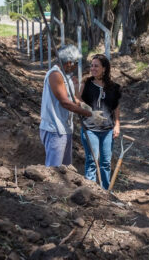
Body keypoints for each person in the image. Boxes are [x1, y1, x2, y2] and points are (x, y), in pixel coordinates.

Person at [39, 44, 93, 167]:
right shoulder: (55, 75)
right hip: (55, 129)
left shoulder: (64, 76)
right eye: (75, 63)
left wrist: (86, 107)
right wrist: (89, 114)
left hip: (64, 128)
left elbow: (72, 99)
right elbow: (65, 103)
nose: (75, 67)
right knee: (55, 171)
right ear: (68, 62)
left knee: (65, 170)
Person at [79, 54, 121, 190]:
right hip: (90, 128)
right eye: (91, 65)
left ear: (104, 68)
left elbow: (116, 107)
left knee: (106, 162)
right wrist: (85, 108)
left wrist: (117, 124)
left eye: (96, 66)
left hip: (107, 130)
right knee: (92, 160)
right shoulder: (86, 84)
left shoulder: (114, 87)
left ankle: (105, 190)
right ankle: (89, 190)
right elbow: (76, 100)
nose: (93, 68)